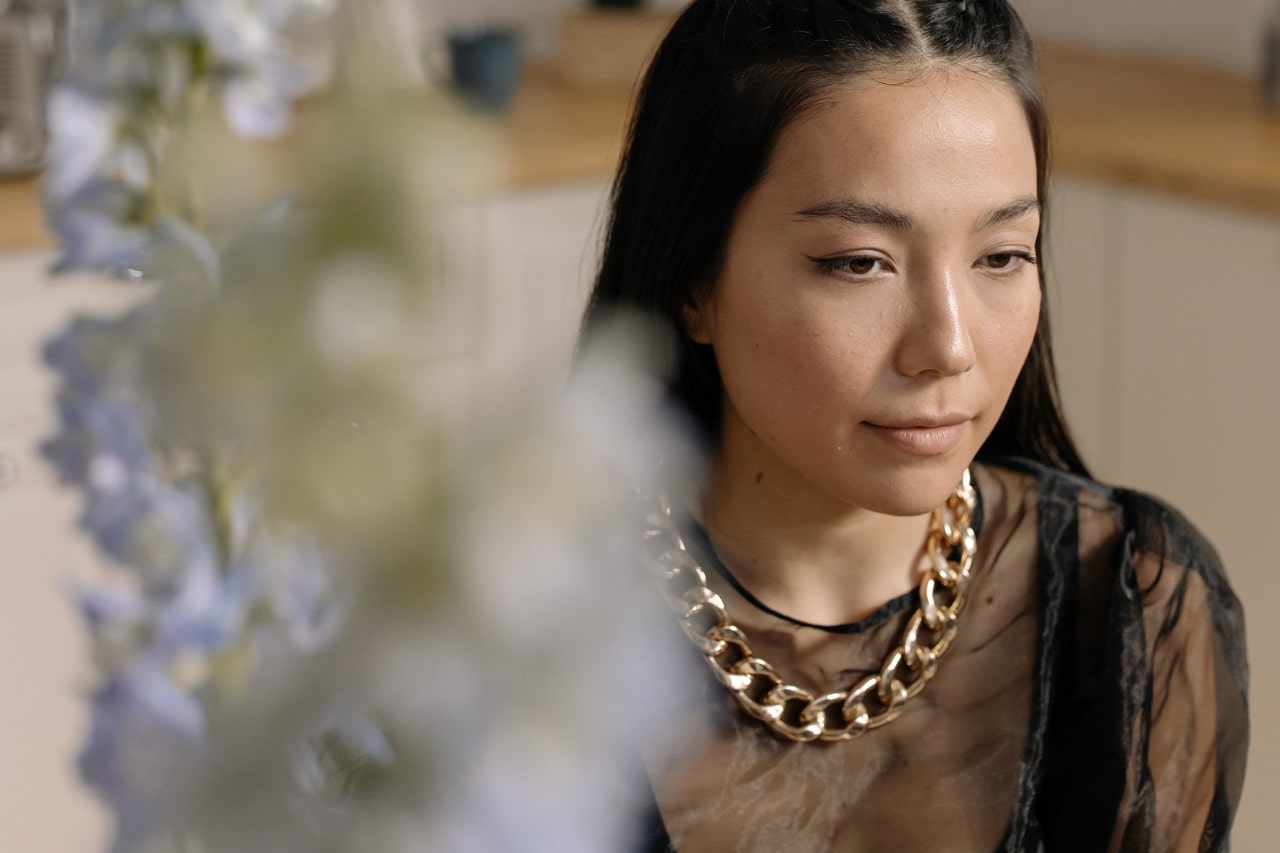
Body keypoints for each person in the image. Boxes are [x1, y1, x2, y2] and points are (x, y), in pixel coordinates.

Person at [577, 0, 1250, 850]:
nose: (950, 347)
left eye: (1002, 255)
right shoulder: (512, 623)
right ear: (693, 282)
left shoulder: (1127, 603)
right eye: (859, 262)